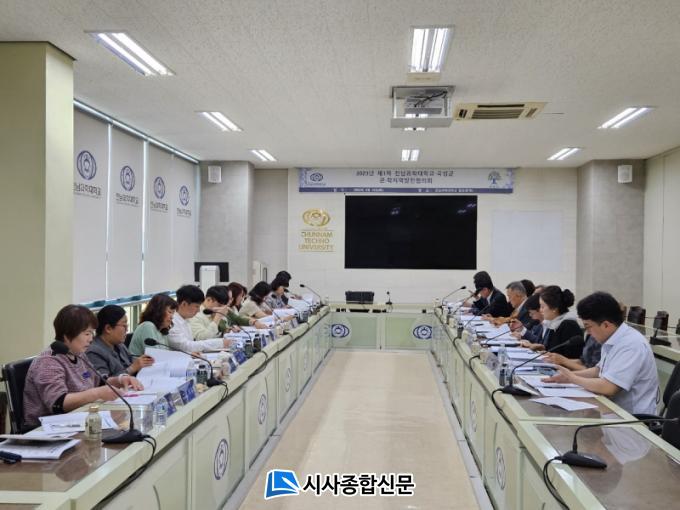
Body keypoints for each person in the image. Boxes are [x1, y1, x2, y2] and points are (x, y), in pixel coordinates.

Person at [23, 305, 143, 429]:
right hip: (48, 429)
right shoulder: (48, 361)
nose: (91, 339)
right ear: (67, 334)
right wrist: (97, 393)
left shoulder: (78, 354)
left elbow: (98, 381)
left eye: (92, 333)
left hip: (78, 419)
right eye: (87, 333)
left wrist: (120, 379)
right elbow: (58, 403)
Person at [543, 291, 659, 415]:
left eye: (588, 326)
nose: (588, 332)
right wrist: (567, 376)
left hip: (632, 418)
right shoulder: (613, 338)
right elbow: (598, 370)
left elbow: (608, 387)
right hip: (611, 410)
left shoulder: (631, 345)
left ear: (606, 325)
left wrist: (573, 378)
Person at [87, 305, 154, 377]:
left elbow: (131, 362)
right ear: (108, 328)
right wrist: (132, 368)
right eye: (124, 326)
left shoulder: (119, 344)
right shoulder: (94, 352)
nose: (127, 330)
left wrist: (143, 362)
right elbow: (104, 381)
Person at [169, 285, 233, 352]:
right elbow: (187, 346)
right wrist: (220, 343)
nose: (198, 310)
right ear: (184, 304)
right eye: (196, 306)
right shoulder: (172, 322)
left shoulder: (185, 319)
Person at [525, 286, 583, 358]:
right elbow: (556, 350)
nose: (540, 310)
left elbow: (570, 357)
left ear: (554, 308)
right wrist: (543, 349)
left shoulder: (568, 325)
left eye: (542, 306)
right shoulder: (554, 323)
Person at [190, 285, 265, 340]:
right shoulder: (196, 314)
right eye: (219, 305)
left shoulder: (216, 310)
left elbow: (235, 320)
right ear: (209, 300)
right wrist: (217, 317)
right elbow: (202, 338)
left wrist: (229, 330)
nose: (221, 308)